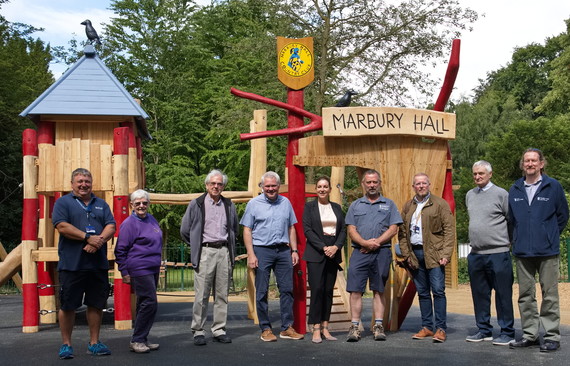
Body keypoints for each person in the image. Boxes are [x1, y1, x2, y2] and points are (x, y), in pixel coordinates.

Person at [508, 148, 569, 352]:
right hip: (523, 251)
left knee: (549, 295)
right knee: (525, 295)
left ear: (542, 163)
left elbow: (562, 216)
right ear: (522, 164)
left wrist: (548, 234)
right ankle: (530, 335)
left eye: (534, 160)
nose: (530, 164)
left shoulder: (554, 187)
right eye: (527, 161)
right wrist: (516, 240)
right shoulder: (515, 188)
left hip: (547, 252)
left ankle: (551, 336)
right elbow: (512, 221)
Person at [52, 168, 116, 359]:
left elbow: (111, 226)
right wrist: (87, 238)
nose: (83, 184)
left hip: (97, 264)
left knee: (96, 304)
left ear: (91, 183)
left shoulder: (101, 204)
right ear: (72, 184)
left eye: (87, 181)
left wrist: (98, 242)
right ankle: (66, 344)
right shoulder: (63, 203)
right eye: (79, 181)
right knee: (68, 305)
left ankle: (94, 343)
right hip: (72, 264)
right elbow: (61, 226)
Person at [240, 171, 304, 342]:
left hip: (283, 250)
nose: (270, 189)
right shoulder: (254, 204)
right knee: (261, 291)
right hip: (262, 250)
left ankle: (286, 328)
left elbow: (291, 228)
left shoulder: (286, 202)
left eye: (273, 186)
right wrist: (251, 254)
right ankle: (266, 328)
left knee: (287, 290)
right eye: (267, 186)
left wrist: (295, 250)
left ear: (278, 186)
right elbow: (247, 230)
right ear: (262, 187)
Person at [180, 169, 238, 346]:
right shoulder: (196, 204)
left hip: (223, 251)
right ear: (206, 185)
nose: (216, 186)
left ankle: (219, 329)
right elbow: (184, 230)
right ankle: (198, 330)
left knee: (222, 294)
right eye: (213, 183)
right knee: (202, 295)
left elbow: (234, 228)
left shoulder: (229, 205)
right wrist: (197, 245)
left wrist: (229, 251)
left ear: (223, 186)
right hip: (205, 251)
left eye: (219, 183)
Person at [345, 169, 402, 342]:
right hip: (360, 252)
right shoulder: (355, 205)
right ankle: (355, 327)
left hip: (382, 252)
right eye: (368, 182)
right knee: (355, 290)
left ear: (380, 183)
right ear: (363, 184)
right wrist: (364, 243)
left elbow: (394, 228)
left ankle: (378, 327)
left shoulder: (389, 204)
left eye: (375, 182)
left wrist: (375, 242)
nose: (371, 185)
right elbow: (351, 229)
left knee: (379, 290)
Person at [398, 173, 455, 343]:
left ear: (429, 185)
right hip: (414, 255)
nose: (421, 186)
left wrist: (446, 254)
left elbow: (449, 230)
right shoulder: (408, 206)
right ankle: (427, 327)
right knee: (422, 293)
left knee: (438, 291)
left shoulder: (440, 204)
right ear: (413, 186)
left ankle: (441, 329)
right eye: (417, 184)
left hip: (435, 255)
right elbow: (402, 233)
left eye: (424, 183)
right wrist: (407, 254)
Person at [465, 161, 515, 346]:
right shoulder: (470, 195)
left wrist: (508, 242)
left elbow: (511, 220)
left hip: (498, 253)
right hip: (476, 254)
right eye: (475, 174)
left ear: (490, 174)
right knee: (479, 294)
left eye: (481, 173)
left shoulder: (502, 194)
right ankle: (484, 330)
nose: (477, 177)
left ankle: (507, 332)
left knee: (503, 295)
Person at [115, 189, 163, 353]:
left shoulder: (151, 220)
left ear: (149, 204)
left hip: (153, 267)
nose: (141, 206)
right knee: (150, 302)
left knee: (146, 303)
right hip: (139, 267)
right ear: (131, 205)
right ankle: (137, 340)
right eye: (138, 203)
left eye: (144, 203)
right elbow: (120, 250)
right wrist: (124, 271)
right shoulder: (129, 224)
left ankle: (142, 338)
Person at [302, 176, 346, 343]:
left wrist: (336, 247)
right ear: (316, 189)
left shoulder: (336, 207)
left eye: (325, 186)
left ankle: (326, 328)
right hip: (316, 253)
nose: (322, 189)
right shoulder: (309, 207)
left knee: (328, 291)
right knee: (317, 290)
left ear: (329, 189)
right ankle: (315, 328)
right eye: (319, 186)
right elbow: (307, 230)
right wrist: (323, 247)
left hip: (333, 252)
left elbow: (343, 230)